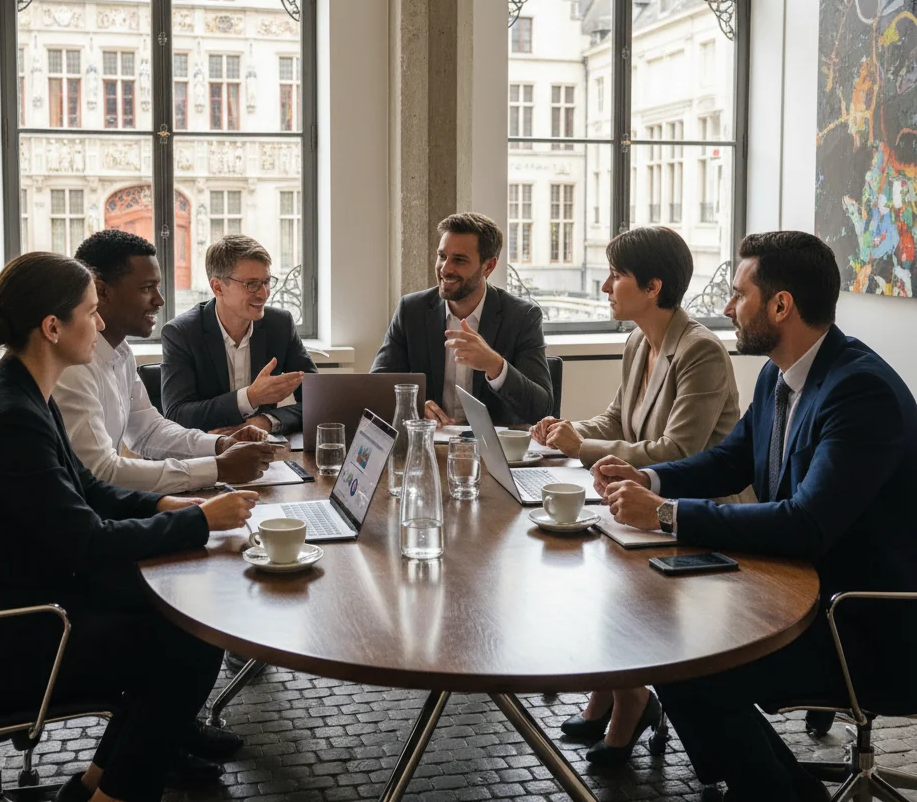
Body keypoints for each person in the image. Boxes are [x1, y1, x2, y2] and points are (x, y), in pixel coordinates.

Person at [0, 252, 261, 802]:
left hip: (7, 602)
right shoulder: (13, 416)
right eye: (91, 313)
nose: (99, 324)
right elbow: (87, 542)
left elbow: (88, 493)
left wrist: (165, 507)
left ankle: (97, 785)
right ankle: (112, 794)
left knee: (179, 626)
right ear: (52, 328)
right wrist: (195, 521)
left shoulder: (22, 392)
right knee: (183, 642)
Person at [592, 231, 917, 801]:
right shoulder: (779, 372)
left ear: (780, 305)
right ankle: (773, 789)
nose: (725, 307)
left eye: (738, 294)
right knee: (672, 647)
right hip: (792, 592)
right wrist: (649, 479)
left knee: (690, 664)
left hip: (864, 623)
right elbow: (731, 459)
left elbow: (805, 523)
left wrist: (666, 515)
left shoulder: (859, 392)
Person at [530, 226, 749, 765]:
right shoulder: (639, 340)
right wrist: (568, 431)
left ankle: (630, 700)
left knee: (594, 563)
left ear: (653, 287)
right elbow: (617, 419)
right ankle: (612, 690)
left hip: (698, 515)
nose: (605, 285)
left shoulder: (700, 351)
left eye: (616, 275)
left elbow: (680, 449)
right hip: (640, 501)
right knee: (580, 558)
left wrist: (585, 446)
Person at [53, 229, 276, 495]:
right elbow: (101, 472)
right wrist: (218, 468)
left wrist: (219, 445)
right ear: (102, 290)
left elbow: (148, 431)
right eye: (147, 288)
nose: (160, 300)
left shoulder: (121, 352)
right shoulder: (72, 366)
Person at [371, 212, 552, 426]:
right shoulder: (411, 311)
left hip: (493, 451)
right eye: (442, 256)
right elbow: (376, 388)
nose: (445, 268)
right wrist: (415, 404)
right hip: (429, 445)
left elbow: (541, 408)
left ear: (489, 266)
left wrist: (495, 365)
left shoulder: (522, 317)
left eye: (459, 260)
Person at [161, 234, 317, 434]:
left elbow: (317, 400)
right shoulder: (182, 333)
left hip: (262, 452)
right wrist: (250, 397)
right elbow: (176, 415)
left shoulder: (280, 325)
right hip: (203, 455)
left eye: (267, 282)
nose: (264, 293)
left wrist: (266, 421)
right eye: (251, 284)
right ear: (218, 287)